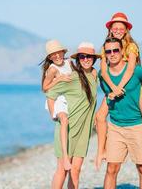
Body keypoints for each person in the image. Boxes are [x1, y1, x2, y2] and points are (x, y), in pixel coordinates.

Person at [95, 12, 142, 172]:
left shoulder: (131, 46)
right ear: (110, 30)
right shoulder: (105, 47)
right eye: (115, 28)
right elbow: (104, 72)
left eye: (122, 28)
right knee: (100, 116)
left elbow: (131, 69)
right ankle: (102, 151)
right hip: (115, 88)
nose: (118, 30)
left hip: (135, 86)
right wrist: (114, 89)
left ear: (126, 30)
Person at [45, 42, 100, 189]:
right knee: (62, 170)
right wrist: (54, 115)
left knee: (75, 171)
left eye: (89, 56)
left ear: (94, 58)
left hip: (83, 132)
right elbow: (50, 95)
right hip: (67, 130)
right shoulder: (72, 77)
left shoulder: (95, 75)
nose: (86, 59)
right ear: (78, 59)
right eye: (82, 57)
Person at [41, 39, 73, 170]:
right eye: (53, 55)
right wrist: (58, 79)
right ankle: (65, 157)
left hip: (70, 97)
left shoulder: (69, 63)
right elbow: (45, 87)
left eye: (58, 53)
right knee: (64, 120)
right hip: (58, 99)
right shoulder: (52, 69)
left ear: (62, 52)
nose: (57, 56)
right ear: (50, 57)